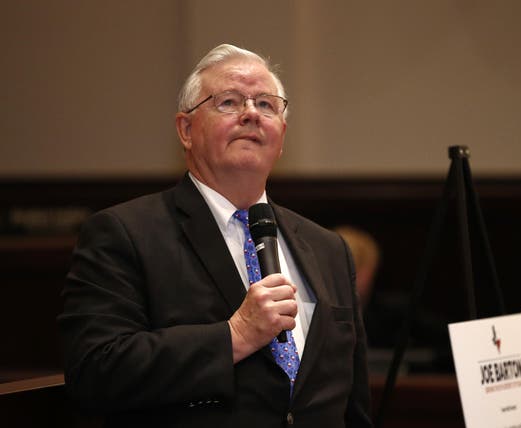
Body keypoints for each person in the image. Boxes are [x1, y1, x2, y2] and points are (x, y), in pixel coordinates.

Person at [58, 44, 372, 427]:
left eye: (267, 105)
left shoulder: (328, 248)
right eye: (229, 102)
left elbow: (353, 404)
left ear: (282, 135)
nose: (251, 114)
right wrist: (234, 335)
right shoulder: (125, 234)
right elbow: (95, 372)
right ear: (186, 129)